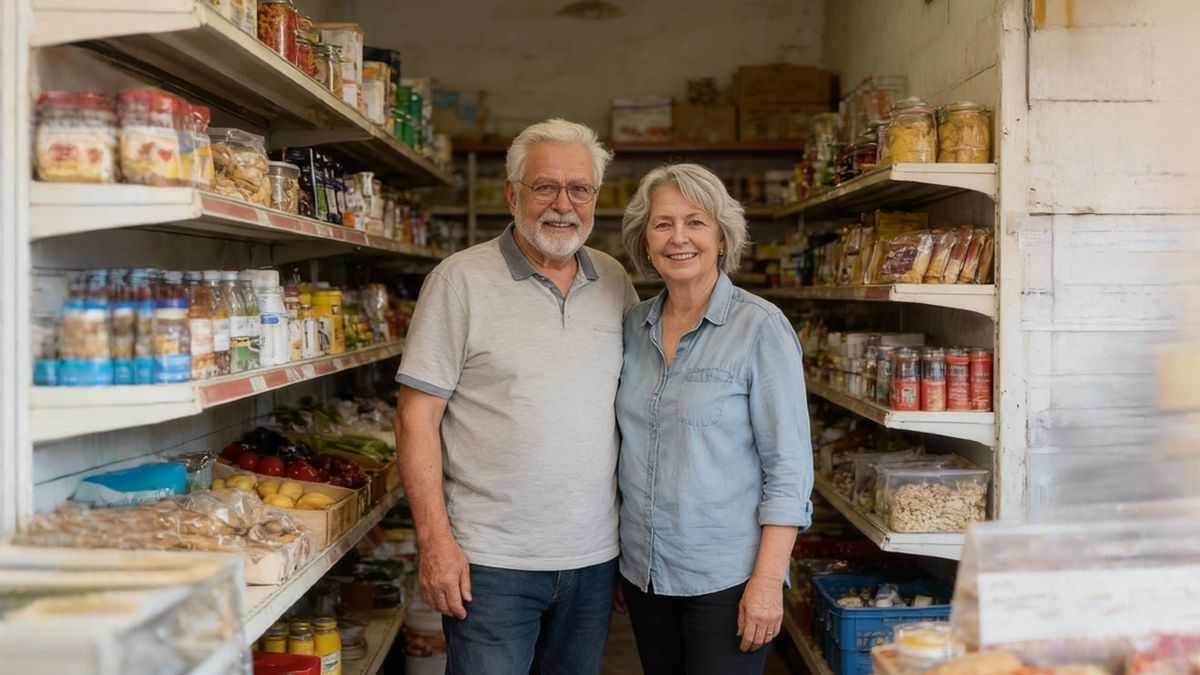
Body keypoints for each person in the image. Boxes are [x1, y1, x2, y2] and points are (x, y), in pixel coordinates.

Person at [393, 118, 639, 675]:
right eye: (544, 186)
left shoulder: (616, 281)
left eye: (579, 189)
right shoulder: (459, 281)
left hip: (594, 560)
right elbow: (415, 419)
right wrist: (435, 543)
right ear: (512, 194)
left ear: (595, 198)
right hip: (490, 563)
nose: (563, 204)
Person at [614, 163, 814, 674]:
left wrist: (768, 582)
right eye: (662, 224)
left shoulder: (760, 327)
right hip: (645, 574)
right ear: (644, 239)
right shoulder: (632, 328)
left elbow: (789, 470)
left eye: (696, 222)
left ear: (723, 237)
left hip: (728, 579)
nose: (679, 238)